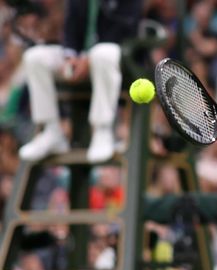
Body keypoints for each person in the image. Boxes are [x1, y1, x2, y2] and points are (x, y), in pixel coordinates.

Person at [18, 0, 142, 164]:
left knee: (103, 53)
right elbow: (71, 27)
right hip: (81, 59)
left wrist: (88, 58)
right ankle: (51, 130)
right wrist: (70, 56)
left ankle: (102, 130)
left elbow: (124, 30)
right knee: (35, 58)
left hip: (118, 59)